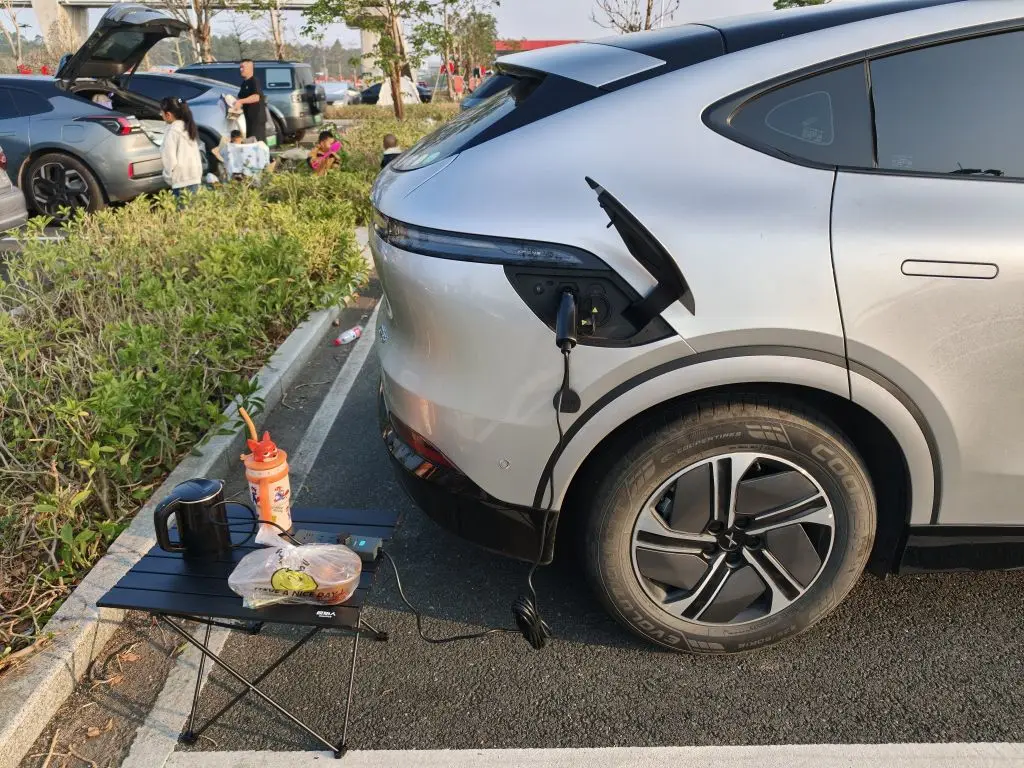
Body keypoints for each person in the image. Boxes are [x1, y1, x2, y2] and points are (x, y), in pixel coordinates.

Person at [159, 97, 203, 200]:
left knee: (182, 208)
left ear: (168, 114)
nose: (161, 115)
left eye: (161, 113)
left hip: (181, 180)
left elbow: (169, 158)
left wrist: (168, 176)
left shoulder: (172, 131)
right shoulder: (187, 127)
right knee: (193, 208)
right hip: (194, 177)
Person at [234, 59, 267, 143]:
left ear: (250, 68)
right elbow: (239, 98)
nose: (241, 69)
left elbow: (256, 97)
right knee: (250, 143)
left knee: (257, 144)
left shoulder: (254, 81)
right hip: (248, 119)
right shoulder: (244, 83)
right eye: (240, 67)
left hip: (257, 119)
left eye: (243, 67)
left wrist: (241, 101)